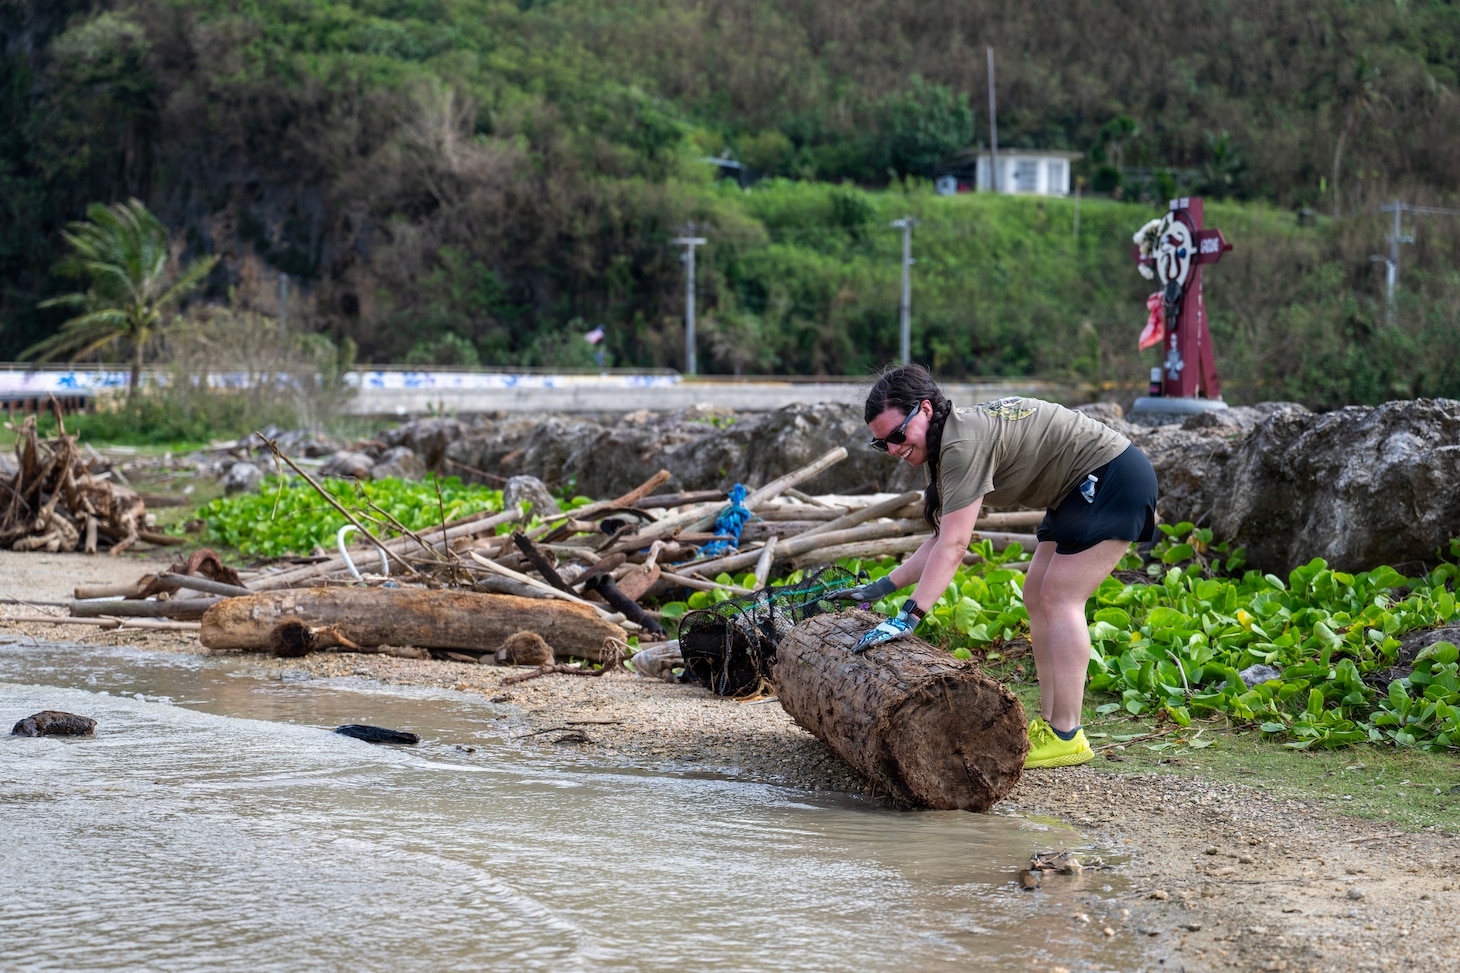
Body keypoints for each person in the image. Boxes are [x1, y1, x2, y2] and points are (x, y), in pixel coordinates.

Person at [832, 364, 1158, 769]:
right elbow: (939, 537)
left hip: (1112, 477)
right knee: (1037, 594)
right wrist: (882, 586)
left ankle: (1068, 734)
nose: (895, 449)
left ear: (927, 410)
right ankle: (1052, 724)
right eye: (883, 444)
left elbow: (954, 546)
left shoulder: (960, 446)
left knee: (1060, 597)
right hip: (1077, 489)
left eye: (898, 436)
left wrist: (908, 617)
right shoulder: (944, 446)